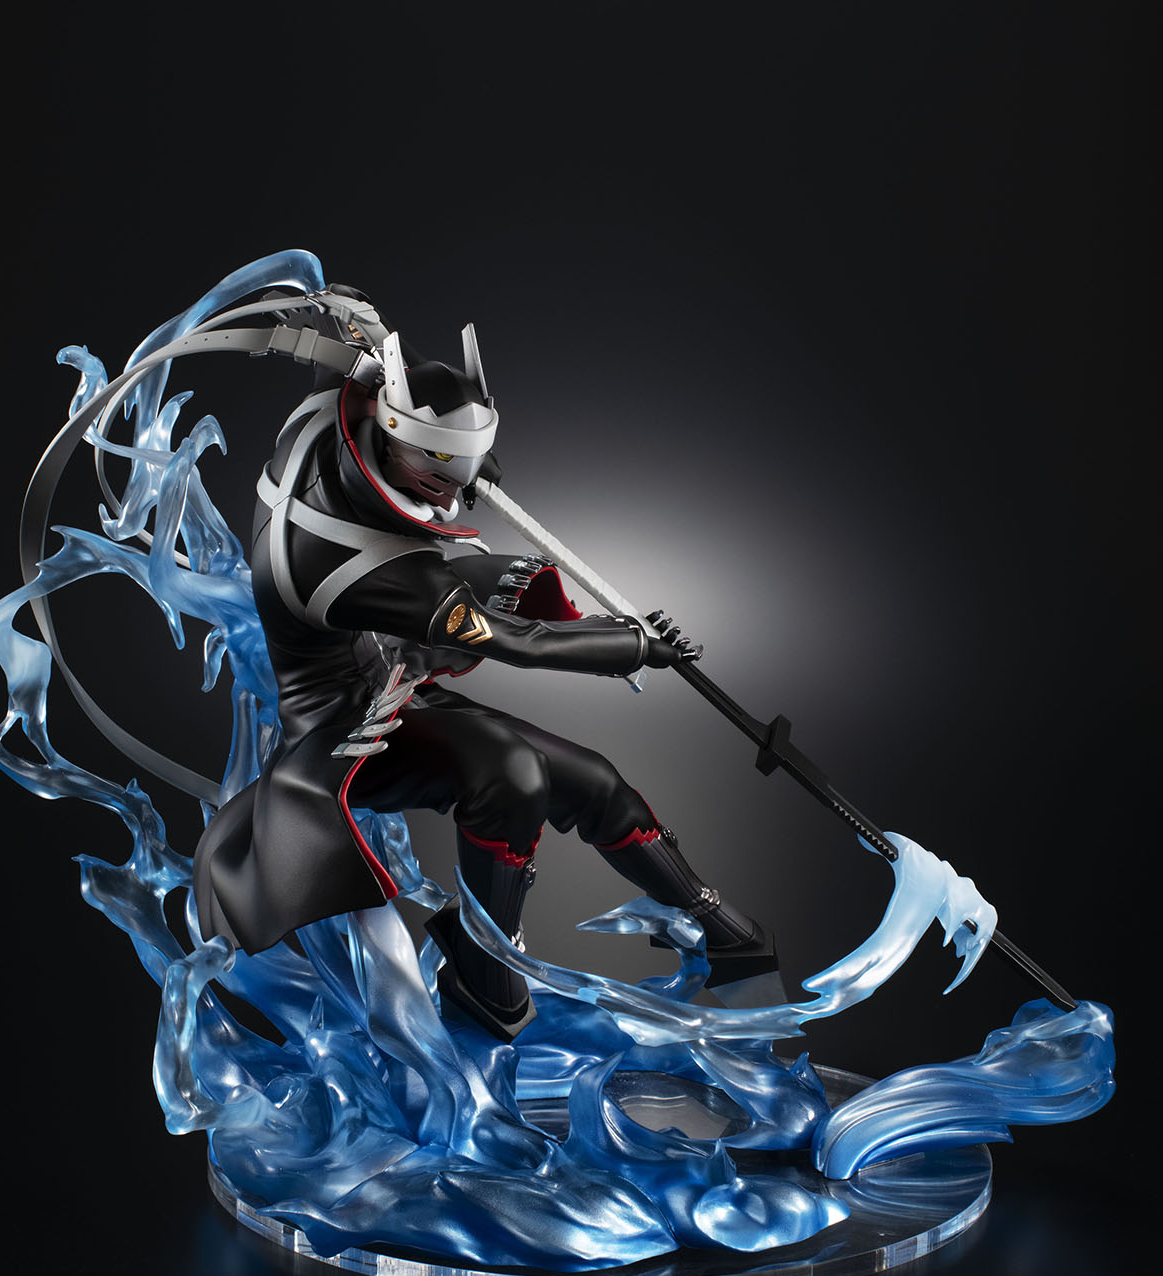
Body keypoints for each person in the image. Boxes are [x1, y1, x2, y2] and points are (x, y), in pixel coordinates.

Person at [192, 287, 778, 1037]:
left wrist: (351, 321)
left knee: (594, 780)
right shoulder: (361, 566)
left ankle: (724, 937)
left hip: (395, 683)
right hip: (345, 731)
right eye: (442, 468)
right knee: (512, 774)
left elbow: (363, 365)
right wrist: (633, 645)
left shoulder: (327, 415)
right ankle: (487, 977)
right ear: (394, 437)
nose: (461, 488)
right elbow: (517, 642)